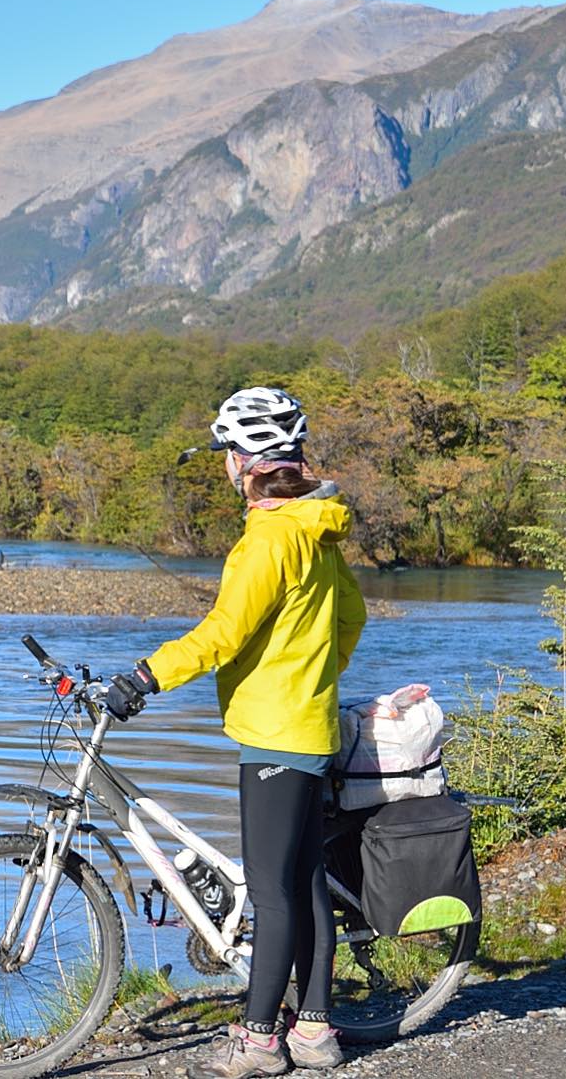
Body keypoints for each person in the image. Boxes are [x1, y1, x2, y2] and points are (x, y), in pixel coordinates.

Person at [102, 386, 365, 1078]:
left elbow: (222, 634)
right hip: (310, 726)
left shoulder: (267, 539)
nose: (224, 463)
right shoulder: (316, 528)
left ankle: (257, 1042)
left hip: (276, 735)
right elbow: (351, 622)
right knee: (305, 885)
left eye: (227, 450)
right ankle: (313, 1031)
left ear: (249, 461)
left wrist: (145, 675)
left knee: (274, 894)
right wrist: (312, 676)